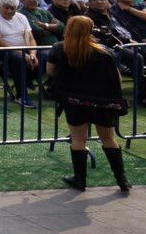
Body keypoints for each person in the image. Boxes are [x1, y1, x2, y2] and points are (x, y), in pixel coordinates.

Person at [43, 14, 131, 193]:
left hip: (74, 100)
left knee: (78, 139)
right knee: (109, 138)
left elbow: (50, 72)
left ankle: (80, 180)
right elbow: (117, 78)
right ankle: (122, 180)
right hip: (102, 102)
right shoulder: (104, 51)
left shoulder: (60, 48)